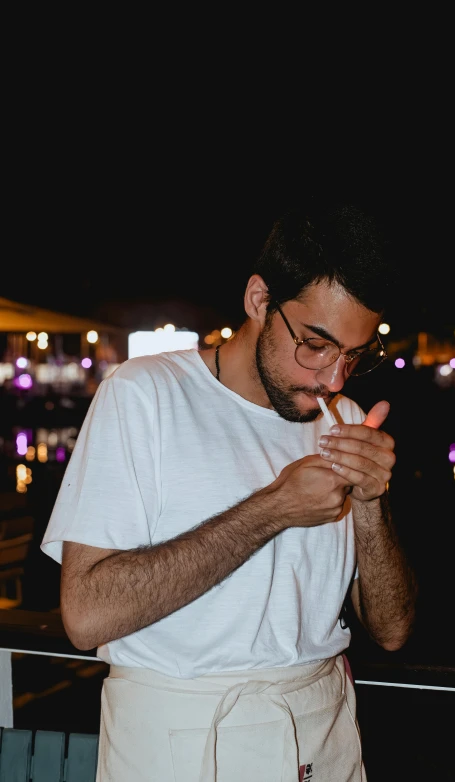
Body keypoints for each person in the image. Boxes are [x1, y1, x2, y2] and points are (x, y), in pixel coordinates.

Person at [41, 198, 418, 782]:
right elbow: (87, 616)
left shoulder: (346, 417)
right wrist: (273, 510)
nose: (333, 378)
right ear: (260, 301)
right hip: (181, 739)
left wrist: (372, 502)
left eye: (354, 355)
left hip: (321, 732)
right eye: (315, 345)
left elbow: (392, 630)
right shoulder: (143, 395)